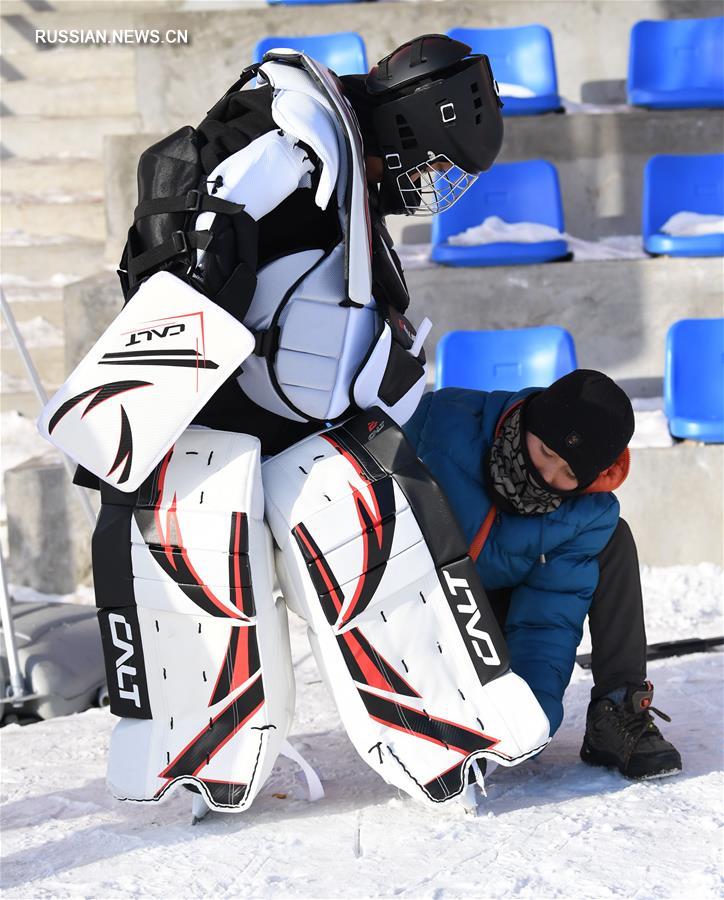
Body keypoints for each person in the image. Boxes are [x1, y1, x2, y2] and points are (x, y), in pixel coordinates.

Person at [48, 35, 553, 818]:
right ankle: (201, 763)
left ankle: (446, 740)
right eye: (434, 162)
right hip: (222, 434)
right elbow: (208, 224)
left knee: (391, 572)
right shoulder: (294, 140)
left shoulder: (339, 164)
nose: (430, 184)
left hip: (310, 429)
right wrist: (150, 381)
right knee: (199, 601)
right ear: (414, 125)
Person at [403, 369, 683, 780]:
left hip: (495, 615)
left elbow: (547, 619)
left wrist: (527, 725)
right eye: (546, 453)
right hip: (413, 606)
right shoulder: (437, 423)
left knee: (614, 538)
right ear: (529, 422)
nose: (547, 478)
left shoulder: (584, 514)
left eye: (569, 474)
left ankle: (618, 708)